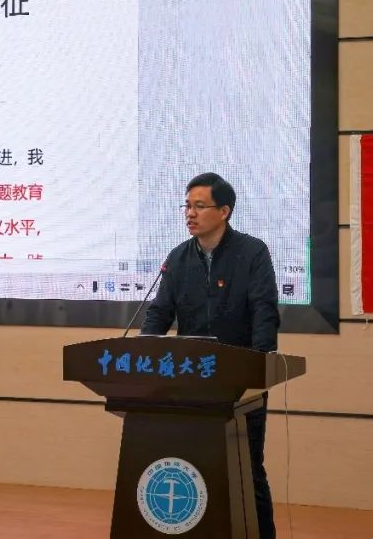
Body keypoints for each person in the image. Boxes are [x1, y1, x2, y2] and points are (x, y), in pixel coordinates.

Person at [141, 172, 281, 538]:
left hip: (241, 382)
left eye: (199, 206)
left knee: (247, 470)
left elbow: (264, 311)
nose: (190, 213)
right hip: (190, 381)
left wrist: (259, 365)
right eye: (187, 206)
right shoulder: (178, 258)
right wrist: (141, 352)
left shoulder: (252, 253)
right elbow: (159, 313)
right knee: (193, 467)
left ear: (224, 211)